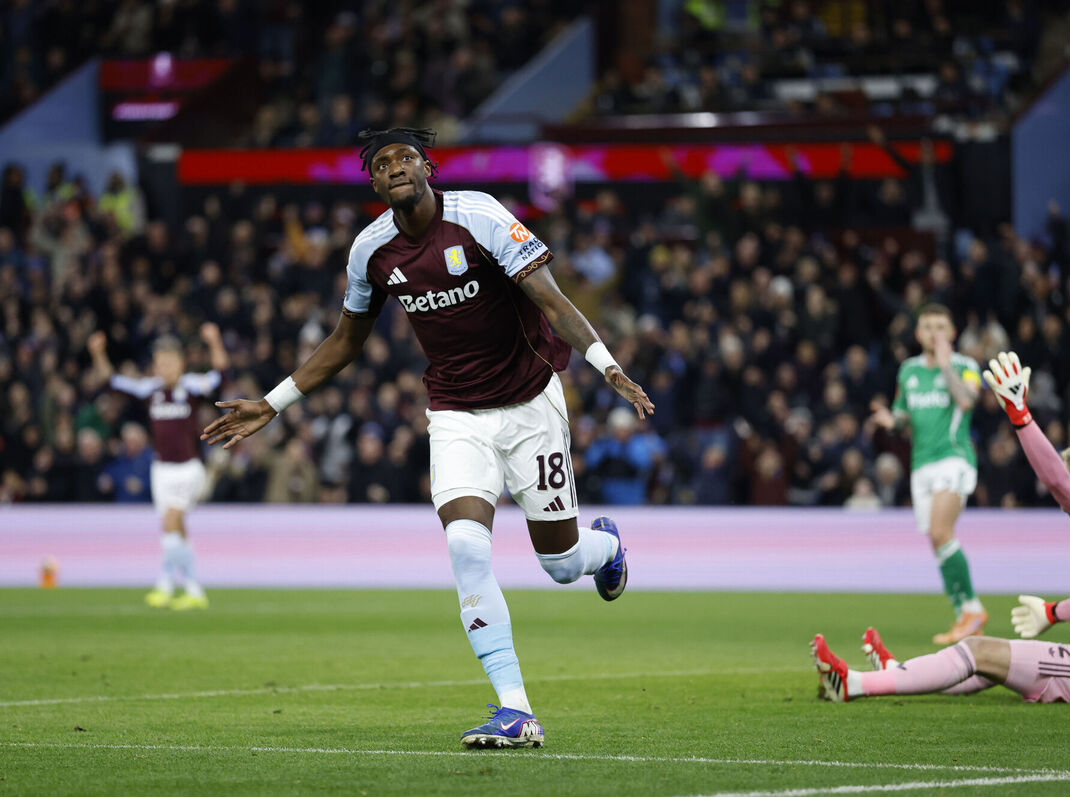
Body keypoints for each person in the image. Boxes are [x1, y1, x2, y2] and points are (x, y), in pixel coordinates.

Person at [201, 128, 653, 749]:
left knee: (560, 563)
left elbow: (551, 301)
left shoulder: (480, 216)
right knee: (466, 547)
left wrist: (608, 367)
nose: (395, 167)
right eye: (382, 163)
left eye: (406, 157)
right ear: (373, 182)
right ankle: (516, 710)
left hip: (530, 404)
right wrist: (273, 403)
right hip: (456, 413)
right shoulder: (370, 251)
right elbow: (346, 340)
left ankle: (606, 548)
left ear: (427, 167)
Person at [813, 351, 1070, 704]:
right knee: (989, 664)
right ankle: (896, 671)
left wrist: (1020, 415)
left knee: (978, 650)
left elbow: (1056, 482)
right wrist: (1052, 612)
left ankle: (854, 684)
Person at [88, 323, 229, 610]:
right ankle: (193, 590)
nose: (165, 369)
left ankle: (166, 583)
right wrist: (97, 353)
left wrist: (215, 341)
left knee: (171, 520)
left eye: (170, 363)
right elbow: (112, 382)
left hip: (188, 468)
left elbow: (221, 375)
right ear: (155, 366)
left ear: (181, 363)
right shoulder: (148, 389)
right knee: (174, 529)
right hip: (161, 470)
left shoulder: (192, 386)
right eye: (160, 363)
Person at [869, 304, 987, 643]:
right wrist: (891, 421)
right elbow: (903, 415)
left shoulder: (966, 366)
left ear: (952, 333)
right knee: (937, 541)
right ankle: (964, 615)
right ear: (918, 333)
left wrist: (946, 364)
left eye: (940, 327)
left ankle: (973, 610)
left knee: (940, 532)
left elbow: (967, 401)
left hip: (954, 458)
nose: (934, 333)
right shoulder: (908, 370)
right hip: (920, 465)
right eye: (927, 327)